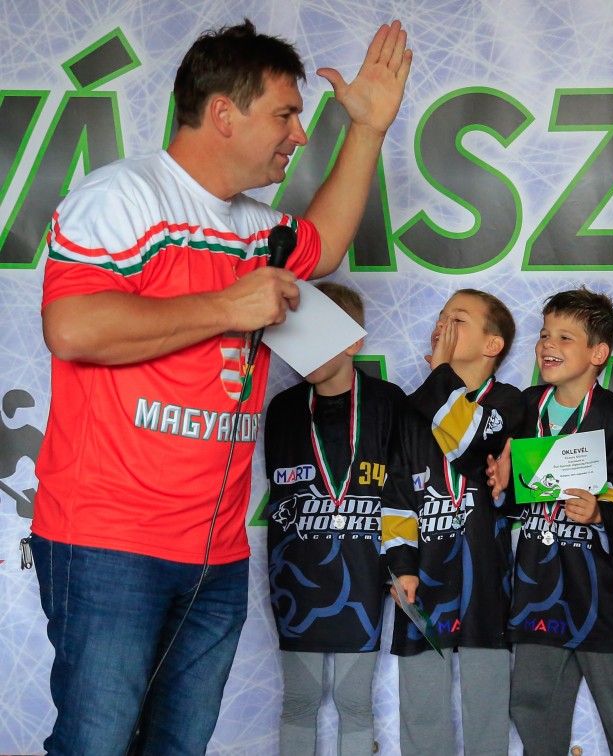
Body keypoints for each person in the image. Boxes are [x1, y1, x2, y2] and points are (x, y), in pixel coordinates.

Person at [31, 19, 411, 755]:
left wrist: (367, 129)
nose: (299, 134)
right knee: (94, 746)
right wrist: (227, 307)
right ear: (224, 112)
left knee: (179, 747)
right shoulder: (123, 195)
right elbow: (72, 327)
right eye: (285, 114)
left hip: (216, 553)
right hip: (109, 541)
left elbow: (326, 244)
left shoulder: (258, 228)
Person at [490, 287, 613, 756]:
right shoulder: (522, 407)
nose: (548, 344)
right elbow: (509, 495)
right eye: (545, 334)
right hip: (537, 585)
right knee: (531, 707)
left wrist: (600, 512)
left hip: (600, 591)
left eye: (565, 337)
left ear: (598, 354)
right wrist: (500, 486)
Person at [264, 282, 405, 754]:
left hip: (362, 575)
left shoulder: (388, 403)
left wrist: (401, 564)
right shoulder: (283, 409)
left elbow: (402, 492)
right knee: (299, 700)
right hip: (297, 575)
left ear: (352, 341)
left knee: (353, 701)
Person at [382, 289, 525, 756]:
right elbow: (397, 496)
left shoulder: (511, 403)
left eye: (458, 320)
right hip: (424, 577)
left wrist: (439, 374)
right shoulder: (410, 411)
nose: (442, 327)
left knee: (487, 714)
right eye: (440, 318)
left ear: (492, 345)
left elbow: (471, 444)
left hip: (487, 583)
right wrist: (402, 566)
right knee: (422, 712)